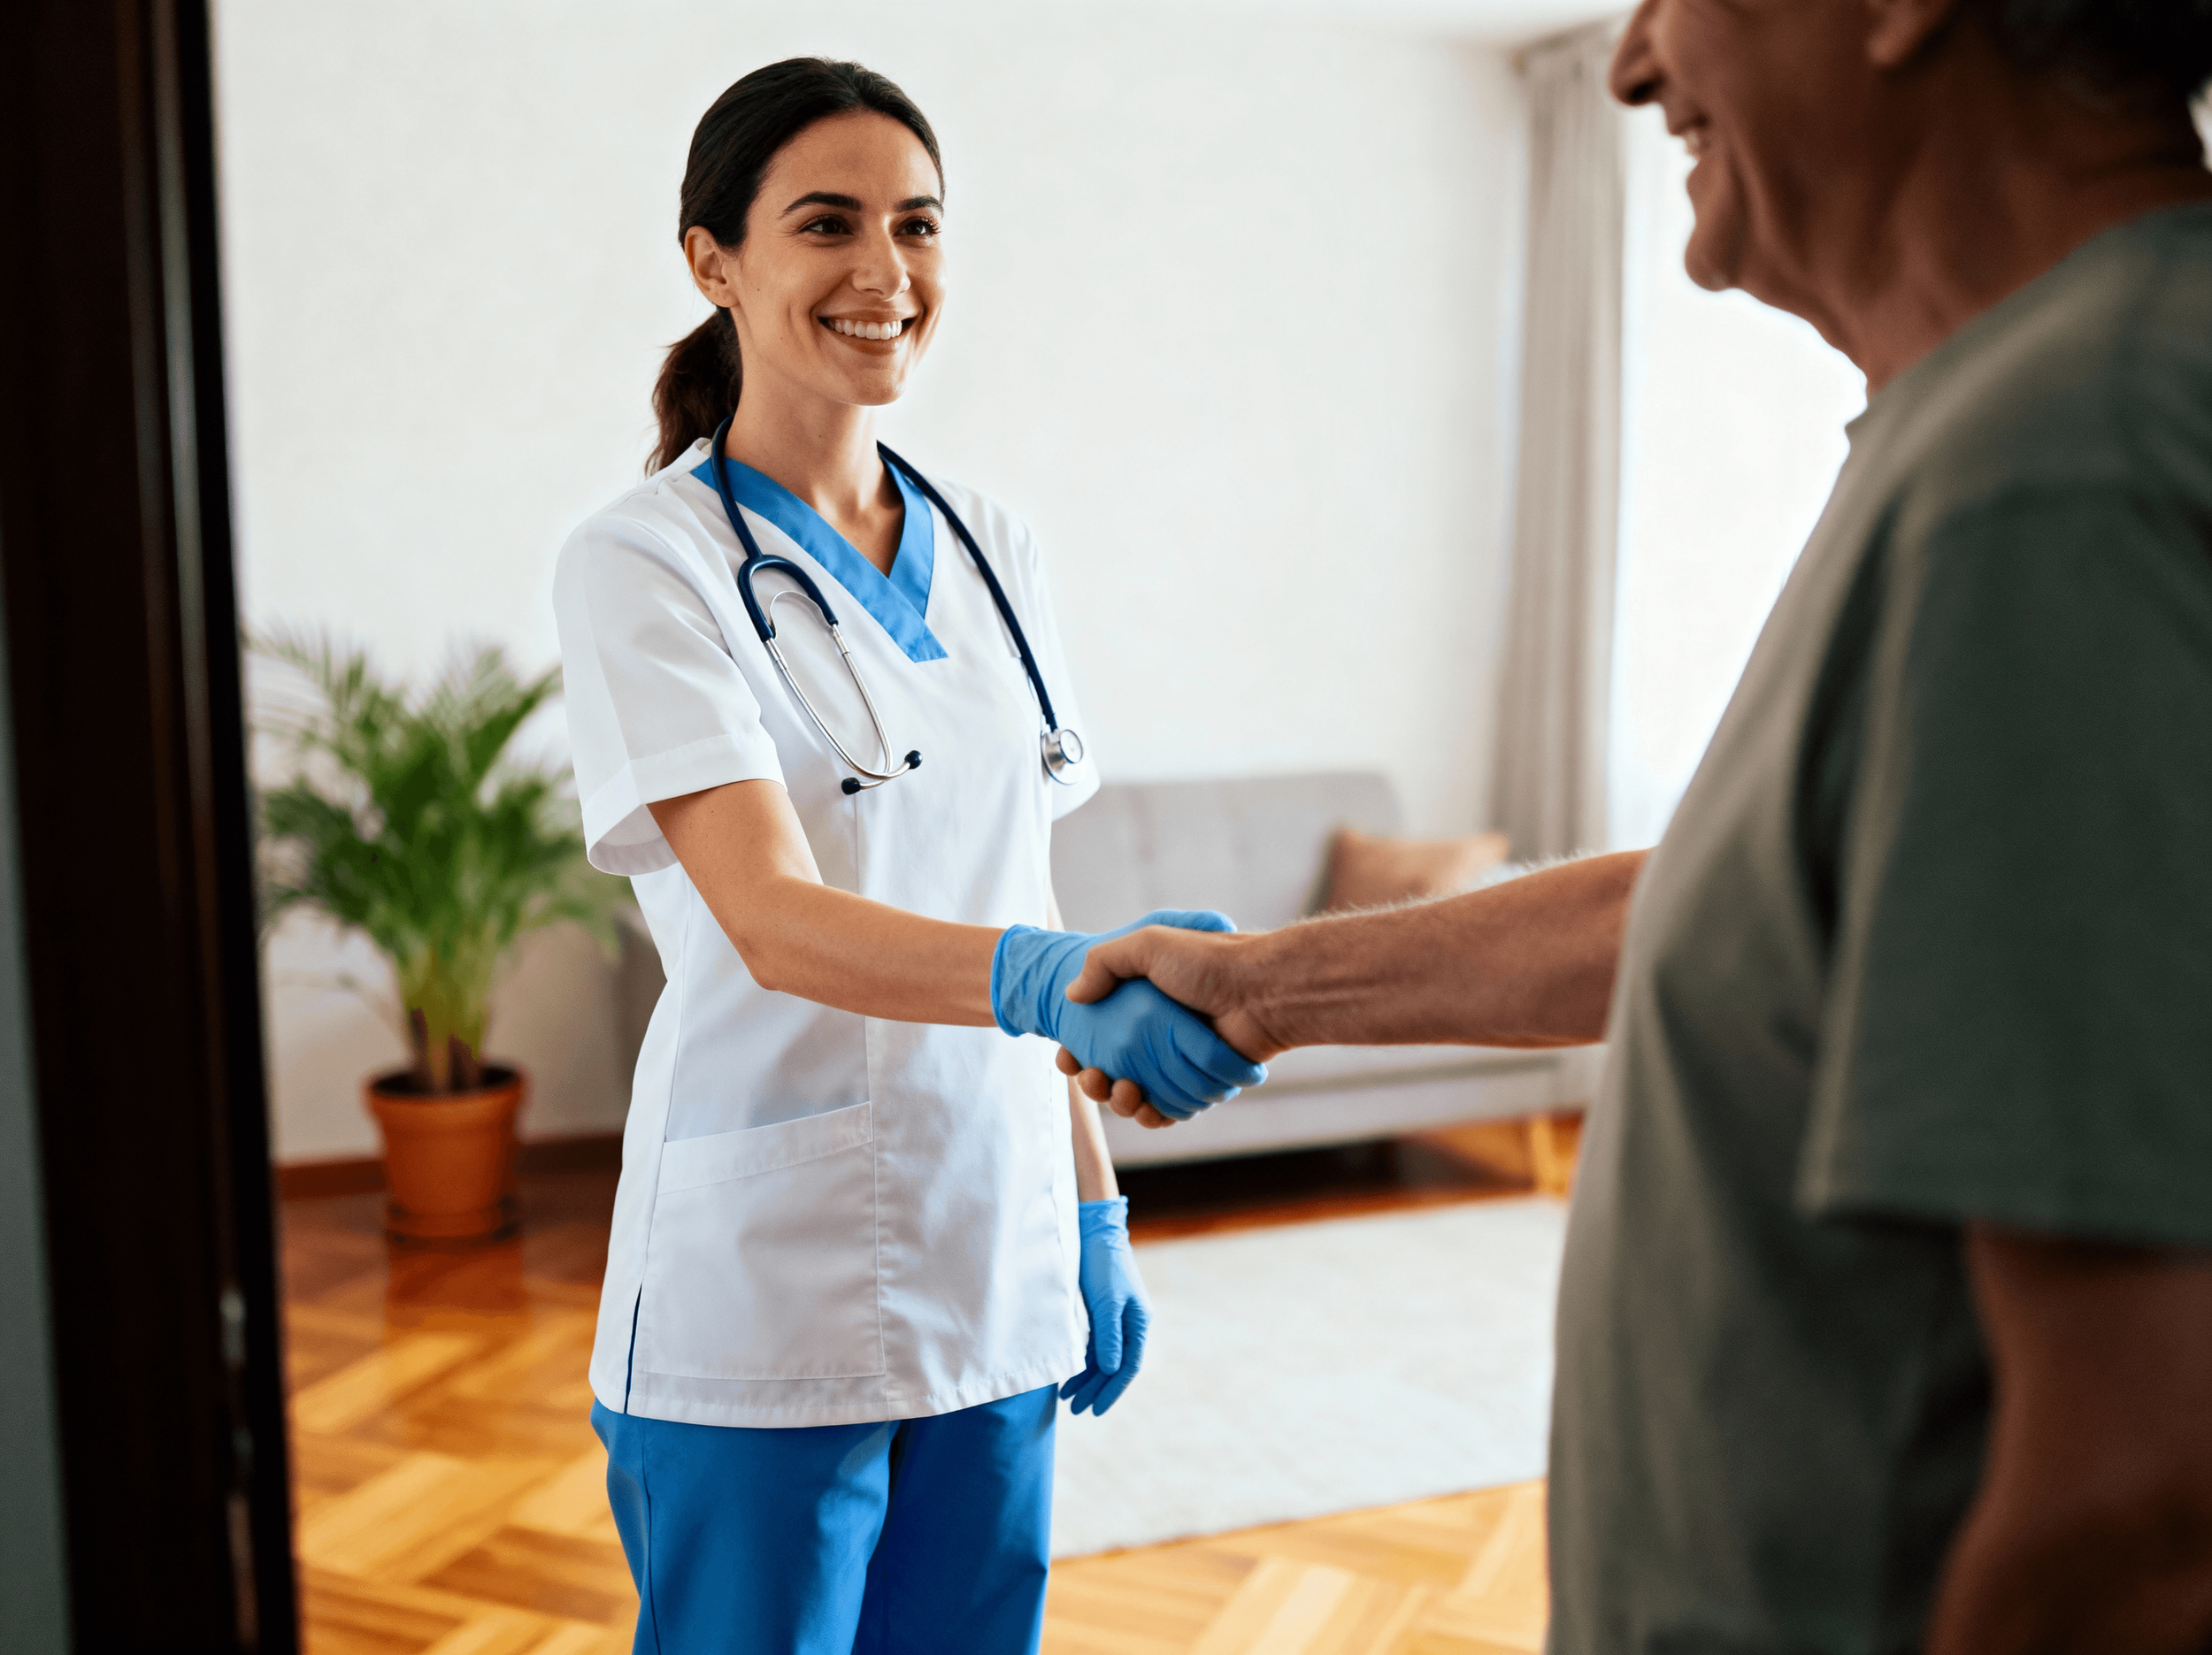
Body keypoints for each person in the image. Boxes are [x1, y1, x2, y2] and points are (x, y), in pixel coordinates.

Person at [1059, 3, 2212, 1651]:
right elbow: (1758, 906)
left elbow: (2150, 1491)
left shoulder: (2064, 467)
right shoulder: (2002, 423)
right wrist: (1270, 990)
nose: (1629, 63)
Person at [551, 58, 1262, 1655]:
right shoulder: (643, 561)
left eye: (918, 226)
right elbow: (773, 918)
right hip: (766, 1283)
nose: (886, 272)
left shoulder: (992, 539)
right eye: (828, 224)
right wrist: (1053, 982)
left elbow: (1029, 889)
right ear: (713, 260)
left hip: (996, 1248)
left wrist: (1092, 1211)